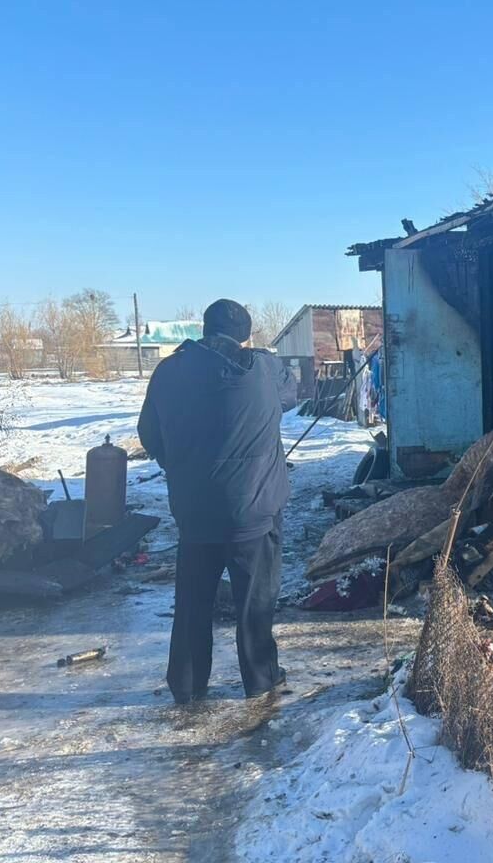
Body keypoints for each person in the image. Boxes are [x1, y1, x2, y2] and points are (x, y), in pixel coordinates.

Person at [138, 299, 295, 703]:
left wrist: (184, 464)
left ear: (204, 329)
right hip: (254, 513)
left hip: (194, 513)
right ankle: (261, 679)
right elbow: (291, 396)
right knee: (254, 602)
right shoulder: (263, 368)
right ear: (245, 334)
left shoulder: (168, 370)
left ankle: (188, 685)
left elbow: (148, 435)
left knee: (192, 604)